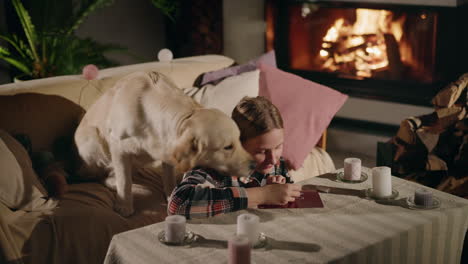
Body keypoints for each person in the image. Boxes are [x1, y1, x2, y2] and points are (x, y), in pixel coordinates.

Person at [167, 96, 301, 219]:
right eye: (262, 151)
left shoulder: (276, 164)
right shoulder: (213, 166)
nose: (273, 159)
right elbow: (177, 205)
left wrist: (280, 193)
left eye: (278, 147)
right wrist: (263, 195)